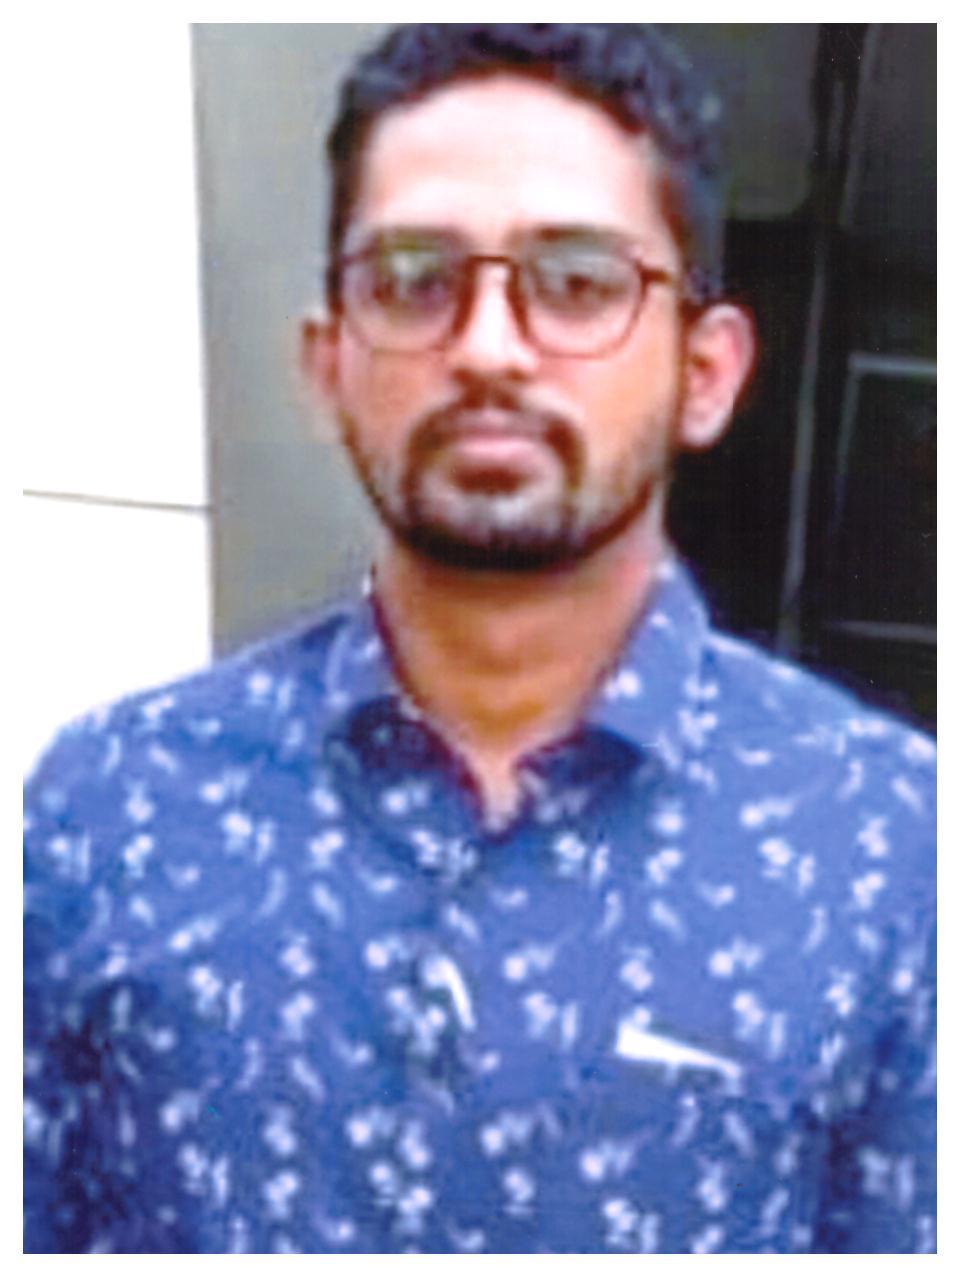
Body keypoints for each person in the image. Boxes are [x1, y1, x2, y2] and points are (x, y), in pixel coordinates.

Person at [24, 24, 935, 1254]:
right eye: (413, 278)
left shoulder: (887, 851)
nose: (490, 346)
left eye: (578, 282)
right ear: (328, 363)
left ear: (707, 372)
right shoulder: (109, 813)